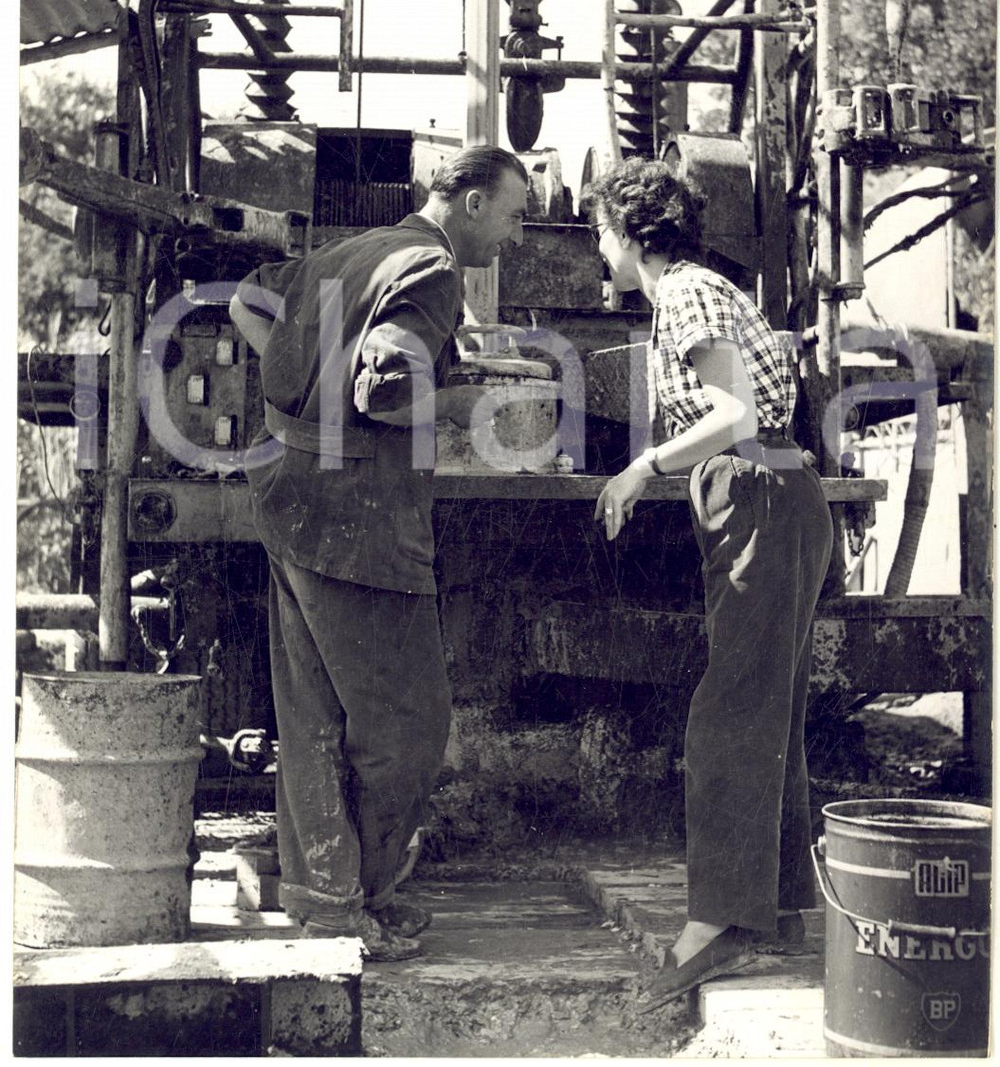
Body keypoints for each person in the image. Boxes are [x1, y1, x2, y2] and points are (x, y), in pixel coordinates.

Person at [229, 144, 529, 960]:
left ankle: (328, 895)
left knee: (313, 708)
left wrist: (303, 401)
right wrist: (473, 403)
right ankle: (356, 893)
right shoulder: (431, 270)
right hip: (358, 516)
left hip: (290, 492)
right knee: (409, 723)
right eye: (511, 213)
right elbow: (387, 392)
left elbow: (248, 304)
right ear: (468, 203)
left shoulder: (356, 248)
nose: (516, 233)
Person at [583, 156, 833, 1007]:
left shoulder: (685, 292)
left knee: (729, 709)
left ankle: (722, 922)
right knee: (766, 705)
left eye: (602, 234)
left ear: (631, 235)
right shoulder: (697, 291)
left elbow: (735, 417)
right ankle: (778, 910)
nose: (598, 251)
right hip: (768, 495)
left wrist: (638, 469)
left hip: (758, 494)